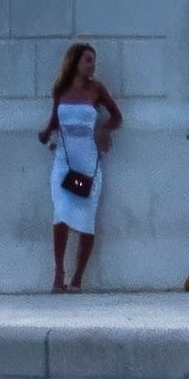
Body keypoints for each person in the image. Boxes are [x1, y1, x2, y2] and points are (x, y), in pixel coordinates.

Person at [36, 43, 122, 292]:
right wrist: (45, 132)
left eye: (94, 60)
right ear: (75, 61)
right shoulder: (60, 88)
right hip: (64, 159)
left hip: (88, 159)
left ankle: (77, 278)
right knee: (60, 214)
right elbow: (55, 119)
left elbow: (117, 115)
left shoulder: (97, 89)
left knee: (86, 219)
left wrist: (105, 130)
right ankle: (58, 273)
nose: (92, 65)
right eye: (88, 60)